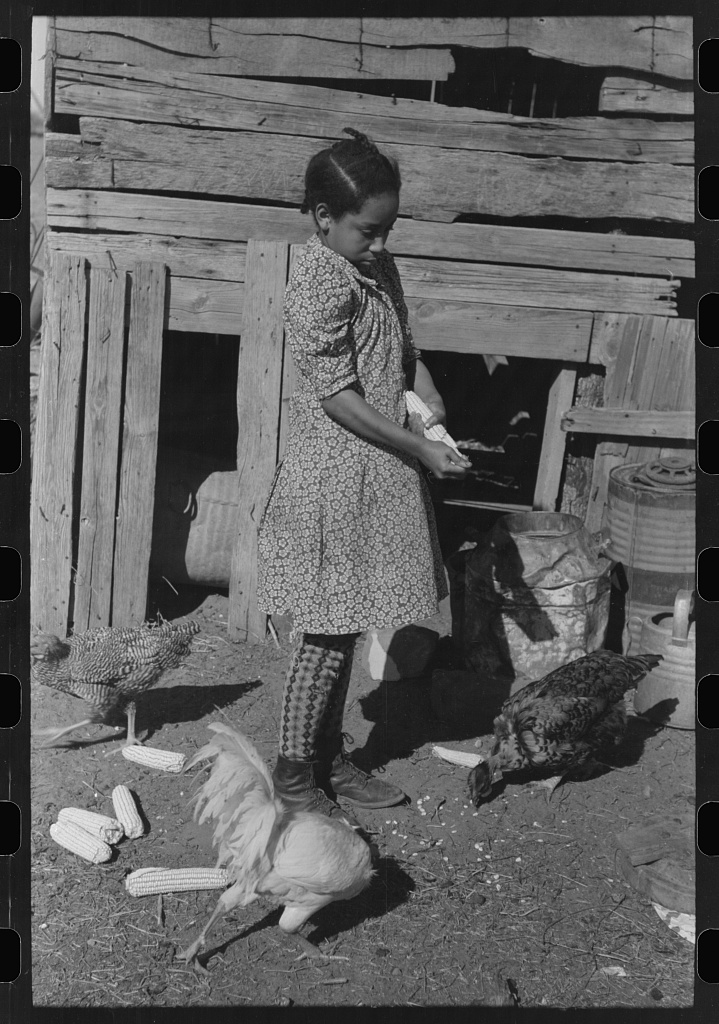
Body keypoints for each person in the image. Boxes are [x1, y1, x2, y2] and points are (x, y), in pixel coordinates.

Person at [257, 127, 470, 825]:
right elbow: (336, 397)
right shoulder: (318, 282)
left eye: (388, 229)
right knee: (324, 632)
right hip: (332, 477)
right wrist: (417, 446)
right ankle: (292, 776)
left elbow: (402, 349)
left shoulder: (375, 268)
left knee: (347, 625)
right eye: (368, 230)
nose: (380, 243)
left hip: (372, 473)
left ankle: (326, 758)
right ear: (324, 218)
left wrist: (426, 395)